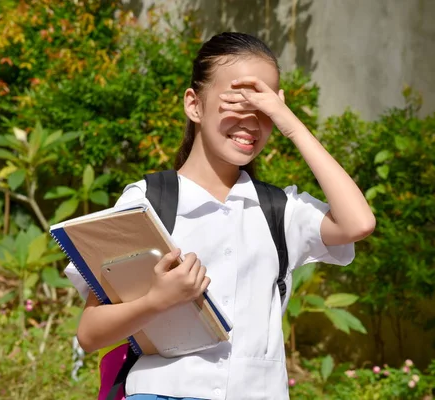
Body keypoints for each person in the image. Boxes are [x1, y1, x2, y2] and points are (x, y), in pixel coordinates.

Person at [65, 31, 375, 400]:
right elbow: (90, 332)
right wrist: (157, 301)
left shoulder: (281, 211)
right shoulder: (148, 201)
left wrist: (290, 122)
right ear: (194, 105)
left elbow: (359, 223)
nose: (251, 121)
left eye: (264, 108)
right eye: (237, 102)